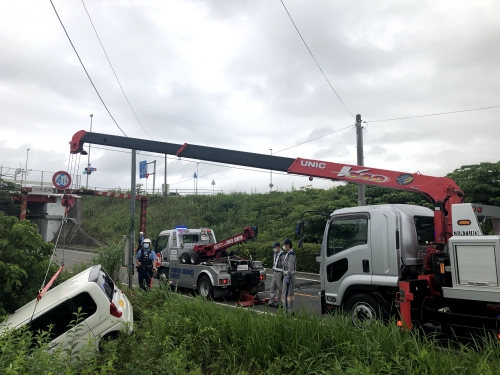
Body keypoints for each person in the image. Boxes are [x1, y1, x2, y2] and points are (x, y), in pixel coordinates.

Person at [281, 238, 296, 315]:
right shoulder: (288, 253)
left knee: (287, 294)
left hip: (288, 276)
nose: (283, 246)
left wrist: (288, 277)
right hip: (286, 275)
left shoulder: (291, 254)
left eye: (284, 244)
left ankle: (288, 311)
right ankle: (288, 310)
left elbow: (290, 266)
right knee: (286, 294)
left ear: (288, 245)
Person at [268, 241, 284, 308]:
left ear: (278, 247)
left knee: (280, 288)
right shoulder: (275, 253)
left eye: (275, 247)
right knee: (272, 287)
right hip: (275, 272)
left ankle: (279, 303)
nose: (274, 248)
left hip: (280, 273)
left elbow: (284, 265)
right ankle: (271, 302)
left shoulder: (282, 254)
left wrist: (283, 275)